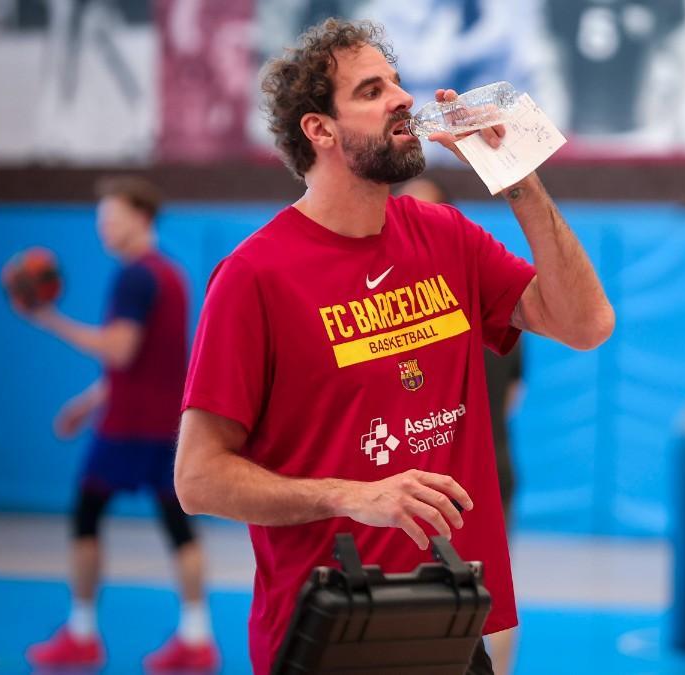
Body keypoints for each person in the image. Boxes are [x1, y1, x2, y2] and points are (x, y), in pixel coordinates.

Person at [173, 18, 613, 675]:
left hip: (451, 622)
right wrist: (351, 494)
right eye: (373, 90)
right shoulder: (252, 276)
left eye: (399, 84)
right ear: (320, 130)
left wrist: (517, 177)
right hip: (328, 632)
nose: (404, 99)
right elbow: (197, 477)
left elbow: (586, 324)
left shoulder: (443, 235)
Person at [18, 177, 220, 672]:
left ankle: (82, 632)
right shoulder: (171, 274)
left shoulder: (134, 277)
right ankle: (198, 637)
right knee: (179, 528)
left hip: (130, 426)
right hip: (164, 424)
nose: (102, 226)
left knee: (85, 517)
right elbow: (148, 360)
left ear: (139, 216)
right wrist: (89, 402)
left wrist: (47, 318)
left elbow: (119, 350)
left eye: (110, 216)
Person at [398, 176, 524, 675]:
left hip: (479, 472)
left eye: (419, 211)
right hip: (422, 480)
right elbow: (517, 394)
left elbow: (512, 391)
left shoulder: (473, 295)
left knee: (486, 593)